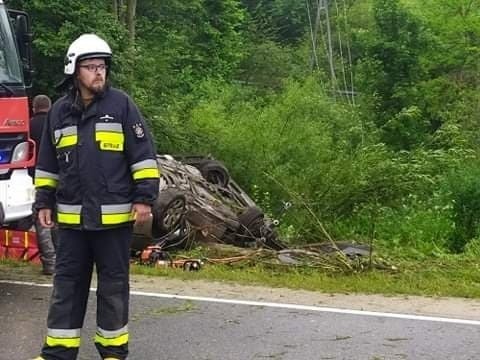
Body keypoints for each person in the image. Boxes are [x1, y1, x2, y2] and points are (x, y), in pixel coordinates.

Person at [32, 33, 160, 360]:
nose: (98, 73)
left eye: (102, 66)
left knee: (113, 289)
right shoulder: (58, 113)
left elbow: (143, 157)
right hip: (72, 224)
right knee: (66, 290)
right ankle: (58, 353)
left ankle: (114, 352)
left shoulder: (122, 107)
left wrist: (144, 198)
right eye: (90, 67)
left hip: (114, 223)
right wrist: (43, 202)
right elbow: (47, 164)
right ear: (75, 71)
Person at [29, 94, 56, 275]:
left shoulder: (29, 126)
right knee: (60, 221)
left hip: (33, 180)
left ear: (33, 108)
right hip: (60, 178)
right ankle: (65, 262)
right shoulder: (58, 123)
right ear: (50, 107)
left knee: (42, 221)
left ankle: (50, 263)